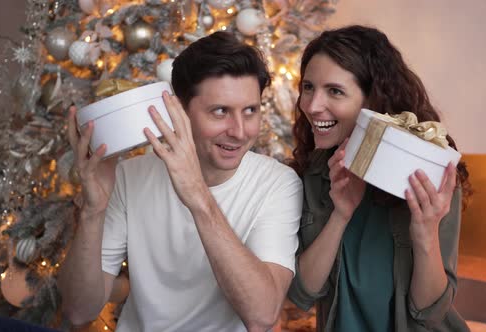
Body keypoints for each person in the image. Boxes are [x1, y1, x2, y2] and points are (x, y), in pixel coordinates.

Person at [58, 32, 303, 332]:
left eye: (250, 111)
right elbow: (78, 310)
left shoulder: (278, 184)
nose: (240, 131)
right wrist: (92, 212)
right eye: (221, 111)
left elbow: (262, 315)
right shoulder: (128, 176)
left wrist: (197, 196)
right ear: (180, 112)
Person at [287, 25, 472, 331]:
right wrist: (340, 215)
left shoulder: (428, 174)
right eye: (308, 87)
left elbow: (430, 313)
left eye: (334, 91)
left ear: (372, 101)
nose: (311, 105)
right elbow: (303, 293)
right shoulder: (314, 174)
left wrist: (425, 233)